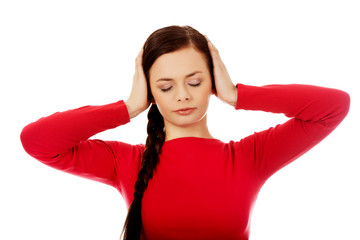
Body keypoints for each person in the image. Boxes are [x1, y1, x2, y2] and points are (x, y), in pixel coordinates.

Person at [20, 25, 350, 240]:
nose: (182, 95)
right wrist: (130, 107)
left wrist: (237, 94)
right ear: (150, 90)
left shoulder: (250, 156)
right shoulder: (126, 161)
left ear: (213, 81)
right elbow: (38, 141)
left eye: (195, 81)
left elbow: (333, 106)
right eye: (165, 86)